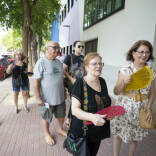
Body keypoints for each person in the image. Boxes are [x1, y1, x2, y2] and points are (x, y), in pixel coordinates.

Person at [111, 40, 156, 156]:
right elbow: (116, 91)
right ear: (133, 53)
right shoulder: (125, 70)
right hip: (123, 108)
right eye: (141, 52)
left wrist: (149, 108)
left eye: (147, 52)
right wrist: (124, 82)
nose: (144, 55)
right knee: (118, 134)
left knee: (135, 137)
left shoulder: (150, 72)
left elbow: (152, 93)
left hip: (140, 109)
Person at [68, 52, 111, 156]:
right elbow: (75, 109)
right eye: (94, 64)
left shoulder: (102, 81)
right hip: (82, 132)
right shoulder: (80, 83)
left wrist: (109, 114)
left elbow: (105, 102)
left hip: (98, 131)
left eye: (100, 63)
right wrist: (92, 117)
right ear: (86, 67)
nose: (99, 66)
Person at [33, 41, 67, 146]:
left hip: (60, 96)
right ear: (47, 49)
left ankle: (60, 129)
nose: (58, 50)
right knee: (46, 116)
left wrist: (64, 91)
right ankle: (47, 133)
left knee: (61, 114)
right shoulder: (41, 62)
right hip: (47, 98)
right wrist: (38, 98)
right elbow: (36, 82)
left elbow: (61, 78)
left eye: (58, 47)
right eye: (55, 47)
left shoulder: (59, 62)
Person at [63, 41, 84, 127]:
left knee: (78, 100)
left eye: (82, 46)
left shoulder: (83, 57)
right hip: (72, 82)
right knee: (76, 100)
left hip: (81, 82)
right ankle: (69, 119)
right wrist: (71, 79)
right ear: (74, 47)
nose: (81, 48)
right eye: (79, 46)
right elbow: (63, 70)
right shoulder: (69, 57)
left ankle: (71, 118)